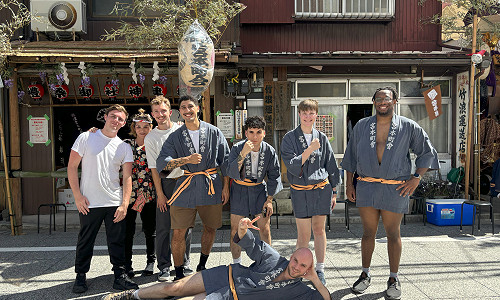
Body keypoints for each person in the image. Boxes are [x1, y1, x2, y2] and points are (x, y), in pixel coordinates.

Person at [341, 86, 439, 300]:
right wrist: (349, 184)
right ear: (373, 101)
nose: (382, 102)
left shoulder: (408, 126)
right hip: (366, 185)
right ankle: (365, 274)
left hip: (396, 186)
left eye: (386, 98)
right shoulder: (361, 126)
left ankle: (393, 278)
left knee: (393, 233)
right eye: (378, 98)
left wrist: (416, 178)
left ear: (395, 100)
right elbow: (350, 157)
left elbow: (427, 152)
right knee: (368, 233)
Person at [101, 216, 331, 300]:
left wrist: (315, 278)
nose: (297, 267)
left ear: (308, 269)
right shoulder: (275, 259)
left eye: (303, 266)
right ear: (290, 258)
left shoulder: (301, 290)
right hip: (225, 276)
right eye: (296, 261)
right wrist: (242, 230)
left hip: (231, 296)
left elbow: (326, 299)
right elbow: (251, 243)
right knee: (175, 288)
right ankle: (132, 295)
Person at [156, 95, 230, 280]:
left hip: (210, 184)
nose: (187, 110)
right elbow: (162, 163)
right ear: (179, 112)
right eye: (183, 108)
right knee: (179, 231)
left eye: (190, 106)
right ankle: (179, 273)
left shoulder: (214, 132)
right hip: (185, 186)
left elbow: (226, 161)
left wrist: (226, 187)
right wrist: (186, 160)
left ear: (197, 108)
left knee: (211, 227)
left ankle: (202, 265)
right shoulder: (175, 136)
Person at [68, 104, 139, 293]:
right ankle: (81, 276)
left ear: (124, 123)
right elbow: (72, 167)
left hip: (114, 201)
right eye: (113, 116)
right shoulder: (86, 137)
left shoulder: (124, 146)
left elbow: (127, 177)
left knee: (117, 241)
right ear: (105, 117)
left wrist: (125, 204)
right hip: (89, 201)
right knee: (86, 240)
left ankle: (119, 276)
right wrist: (77, 196)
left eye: (121, 119)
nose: (116, 121)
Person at [281, 99, 341, 285]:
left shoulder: (321, 137)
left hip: (321, 189)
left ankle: (320, 269)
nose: (308, 117)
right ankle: (299, 270)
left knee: (319, 230)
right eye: (304, 113)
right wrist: (309, 149)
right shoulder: (289, 138)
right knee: (303, 235)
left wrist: (334, 190)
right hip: (300, 191)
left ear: (316, 115)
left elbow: (331, 164)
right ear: (299, 114)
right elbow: (291, 166)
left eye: (311, 113)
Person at [144, 96, 193, 281]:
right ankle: (164, 266)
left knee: (185, 226)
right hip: (165, 183)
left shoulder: (182, 130)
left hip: (184, 181)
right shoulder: (151, 137)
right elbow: (154, 168)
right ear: (152, 114)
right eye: (156, 112)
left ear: (170, 112)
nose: (160, 115)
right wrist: (160, 194)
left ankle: (185, 261)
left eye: (163, 111)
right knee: (163, 227)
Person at [226, 116, 282, 264]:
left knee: (264, 229)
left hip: (259, 191)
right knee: (235, 229)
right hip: (239, 190)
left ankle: (268, 263)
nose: (255, 136)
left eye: (258, 132)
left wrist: (269, 200)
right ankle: (236, 263)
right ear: (246, 133)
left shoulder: (269, 150)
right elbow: (231, 172)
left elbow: (275, 175)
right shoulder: (237, 148)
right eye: (251, 132)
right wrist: (243, 153)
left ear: (264, 133)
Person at [122, 109, 156, 278]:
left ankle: (151, 262)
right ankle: (127, 264)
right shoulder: (126, 143)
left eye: (145, 126)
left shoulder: (155, 144)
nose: (142, 130)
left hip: (148, 192)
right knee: (128, 231)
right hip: (130, 193)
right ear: (133, 128)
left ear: (151, 127)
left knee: (150, 230)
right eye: (138, 126)